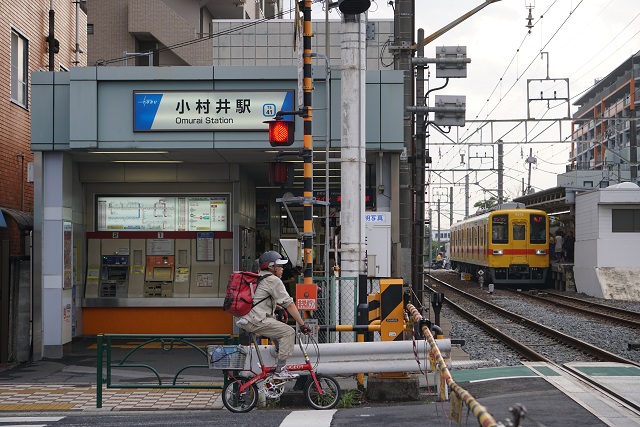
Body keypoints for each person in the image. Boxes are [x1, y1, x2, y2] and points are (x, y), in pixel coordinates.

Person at [235, 250, 311, 379]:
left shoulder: (260, 276)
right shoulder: (273, 280)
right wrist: (302, 324)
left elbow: (259, 300)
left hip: (248, 318)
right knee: (288, 332)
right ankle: (280, 370)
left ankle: (278, 354)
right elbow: (290, 304)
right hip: (256, 320)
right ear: (271, 267)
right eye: (280, 266)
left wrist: (278, 308)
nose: (282, 269)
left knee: (278, 328)